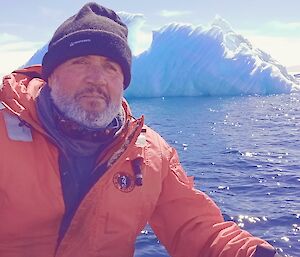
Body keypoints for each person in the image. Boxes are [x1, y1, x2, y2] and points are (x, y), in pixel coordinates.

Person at [0, 2, 283, 257]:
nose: (97, 78)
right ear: (50, 75)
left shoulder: (150, 154)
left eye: (111, 67)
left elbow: (195, 227)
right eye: (80, 62)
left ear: (123, 81)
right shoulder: (4, 128)